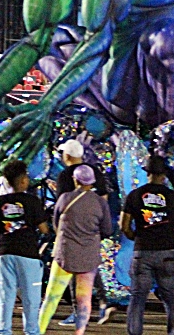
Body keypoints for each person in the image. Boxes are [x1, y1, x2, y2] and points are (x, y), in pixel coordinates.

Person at [39, 164, 112, 335]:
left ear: (75, 180)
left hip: (64, 255)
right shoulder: (100, 202)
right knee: (83, 301)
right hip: (88, 257)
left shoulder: (64, 198)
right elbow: (108, 230)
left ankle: (37, 331)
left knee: (51, 299)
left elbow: (56, 224)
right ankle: (79, 332)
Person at [121, 156, 174, 335]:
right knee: (171, 297)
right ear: (164, 175)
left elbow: (125, 226)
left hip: (142, 251)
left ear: (148, 173)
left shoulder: (135, 195)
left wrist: (134, 237)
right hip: (166, 252)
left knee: (137, 298)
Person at [53, 139, 111, 326]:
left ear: (67, 156)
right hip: (93, 228)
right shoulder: (95, 172)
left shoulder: (65, 176)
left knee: (71, 269)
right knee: (91, 265)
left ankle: (78, 312)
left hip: (72, 231)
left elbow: (61, 206)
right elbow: (104, 199)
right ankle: (103, 302)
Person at [0, 160, 49, 335]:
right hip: (28, 254)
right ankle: (31, 331)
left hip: (5, 253)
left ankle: (4, 330)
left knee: (6, 297)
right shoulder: (32, 201)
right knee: (31, 298)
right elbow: (43, 228)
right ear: (23, 180)